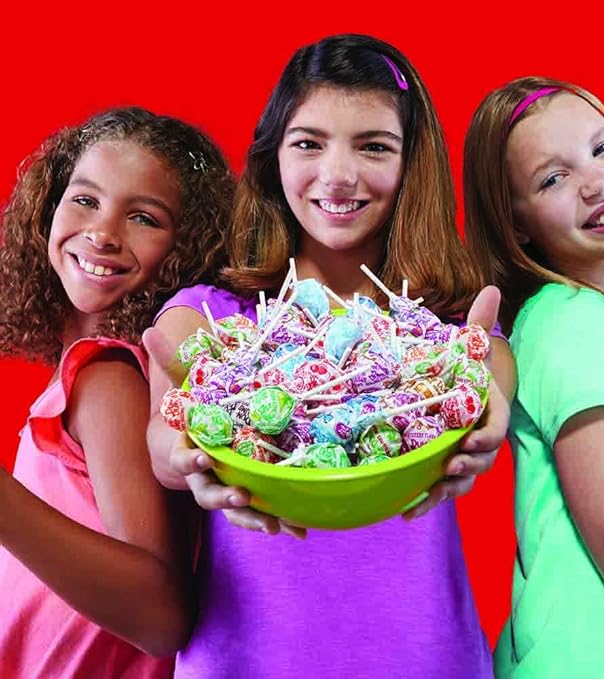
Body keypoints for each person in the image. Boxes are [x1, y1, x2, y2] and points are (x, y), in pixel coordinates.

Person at [146, 34, 514, 678]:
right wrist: (188, 460)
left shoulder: (440, 328)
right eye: (308, 143)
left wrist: (488, 406)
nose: (338, 174)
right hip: (248, 662)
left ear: (413, 164)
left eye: (374, 146)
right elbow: (163, 437)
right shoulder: (214, 318)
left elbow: (490, 371)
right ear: (272, 157)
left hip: (422, 660)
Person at [0, 107, 236, 678]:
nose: (103, 233)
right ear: (47, 209)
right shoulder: (90, 374)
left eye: (144, 218)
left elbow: (161, 619)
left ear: (187, 249)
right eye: (85, 199)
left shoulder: (108, 377)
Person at [463, 77, 604, 677]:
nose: (596, 182)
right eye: (552, 179)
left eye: (603, 147)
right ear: (517, 225)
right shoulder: (569, 322)